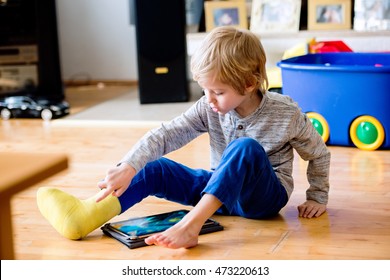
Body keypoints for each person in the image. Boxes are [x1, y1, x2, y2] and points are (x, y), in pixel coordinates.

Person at [37, 26, 331, 249]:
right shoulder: (209, 107)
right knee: (154, 168)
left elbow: (319, 153)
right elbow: (168, 133)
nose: (209, 100)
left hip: (262, 201)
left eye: (218, 92)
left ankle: (192, 225)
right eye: (205, 90)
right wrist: (128, 165)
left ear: (249, 83)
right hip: (217, 193)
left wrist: (317, 196)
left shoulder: (286, 112)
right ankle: (84, 215)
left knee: (246, 148)